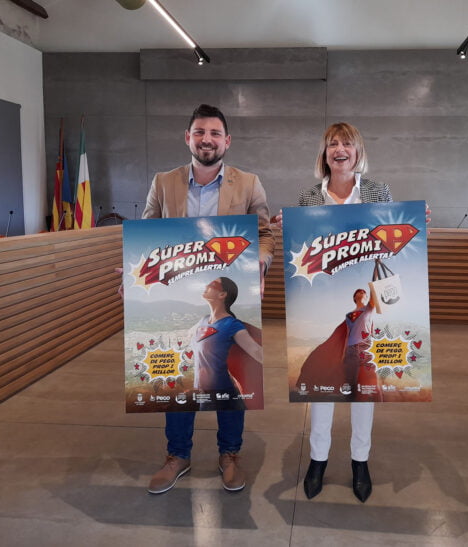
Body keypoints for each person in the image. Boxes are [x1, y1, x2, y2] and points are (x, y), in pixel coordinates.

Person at [278, 122, 427, 503]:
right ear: (324, 153)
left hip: (368, 302)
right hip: (325, 301)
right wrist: (286, 228)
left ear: (358, 151)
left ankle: (360, 460)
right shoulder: (309, 197)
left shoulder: (378, 191)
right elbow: (301, 250)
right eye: (332, 143)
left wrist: (414, 224)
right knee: (324, 381)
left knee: (364, 383)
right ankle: (318, 459)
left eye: (346, 143)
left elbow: (394, 238)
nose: (339, 149)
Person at [142, 104, 274, 495]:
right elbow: (146, 237)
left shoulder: (249, 183)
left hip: (228, 295)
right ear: (188, 137)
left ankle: (229, 453)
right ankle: (177, 455)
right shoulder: (163, 182)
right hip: (178, 297)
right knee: (178, 374)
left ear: (227, 141)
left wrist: (259, 267)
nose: (207, 139)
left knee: (232, 372)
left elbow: (264, 235)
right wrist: (134, 280)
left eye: (215, 133)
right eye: (199, 132)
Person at [192, 277, 263, 413]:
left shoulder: (232, 324)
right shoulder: (203, 320)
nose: (206, 284)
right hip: (203, 392)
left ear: (222, 295)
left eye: (212, 284)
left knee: (230, 431)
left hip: (222, 392)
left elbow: (256, 351)